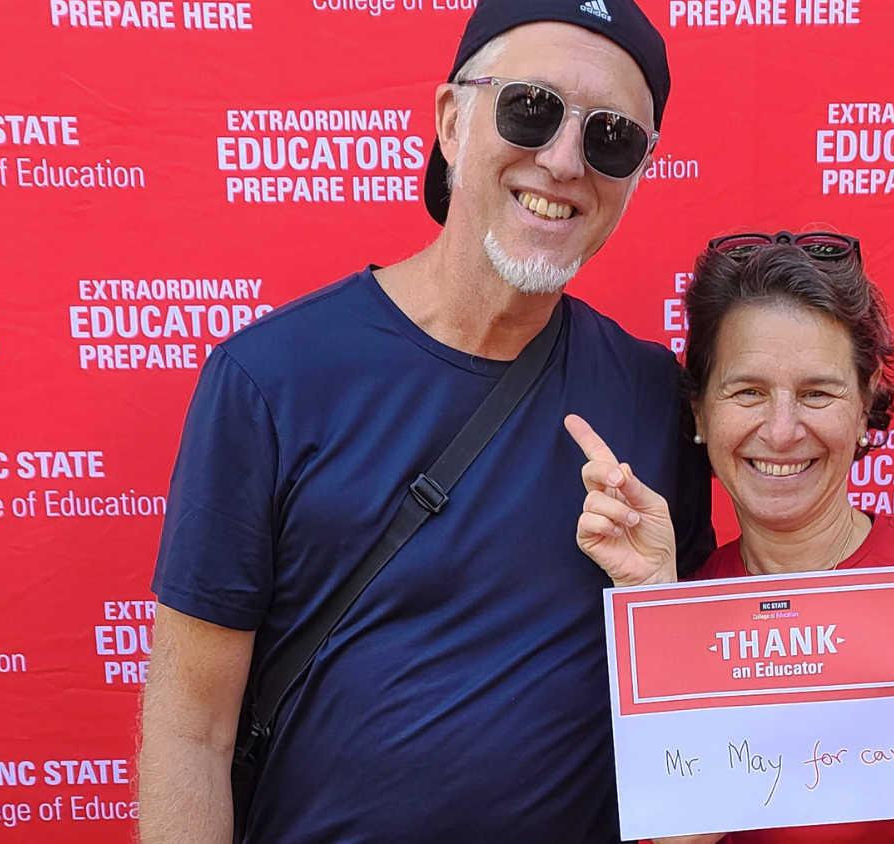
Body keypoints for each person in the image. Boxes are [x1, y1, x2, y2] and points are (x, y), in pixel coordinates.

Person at [138, 2, 715, 842]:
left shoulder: (654, 397)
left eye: (611, 137)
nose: (562, 161)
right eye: (531, 108)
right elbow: (190, 727)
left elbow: (690, 715)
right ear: (452, 119)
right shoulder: (270, 378)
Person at [568, 232, 894, 843]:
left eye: (816, 393)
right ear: (699, 413)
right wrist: (663, 612)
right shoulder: (678, 612)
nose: (782, 430)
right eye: (748, 392)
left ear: (864, 403)